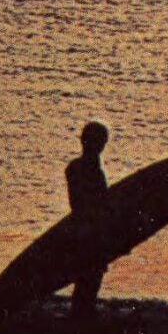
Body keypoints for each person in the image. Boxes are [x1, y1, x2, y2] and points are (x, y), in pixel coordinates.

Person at [65, 121, 110, 320]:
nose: (101, 146)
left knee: (92, 274)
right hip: (86, 229)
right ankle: (81, 313)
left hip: (89, 228)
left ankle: (83, 310)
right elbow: (82, 202)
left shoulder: (86, 168)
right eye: (99, 141)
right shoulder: (80, 168)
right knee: (88, 274)